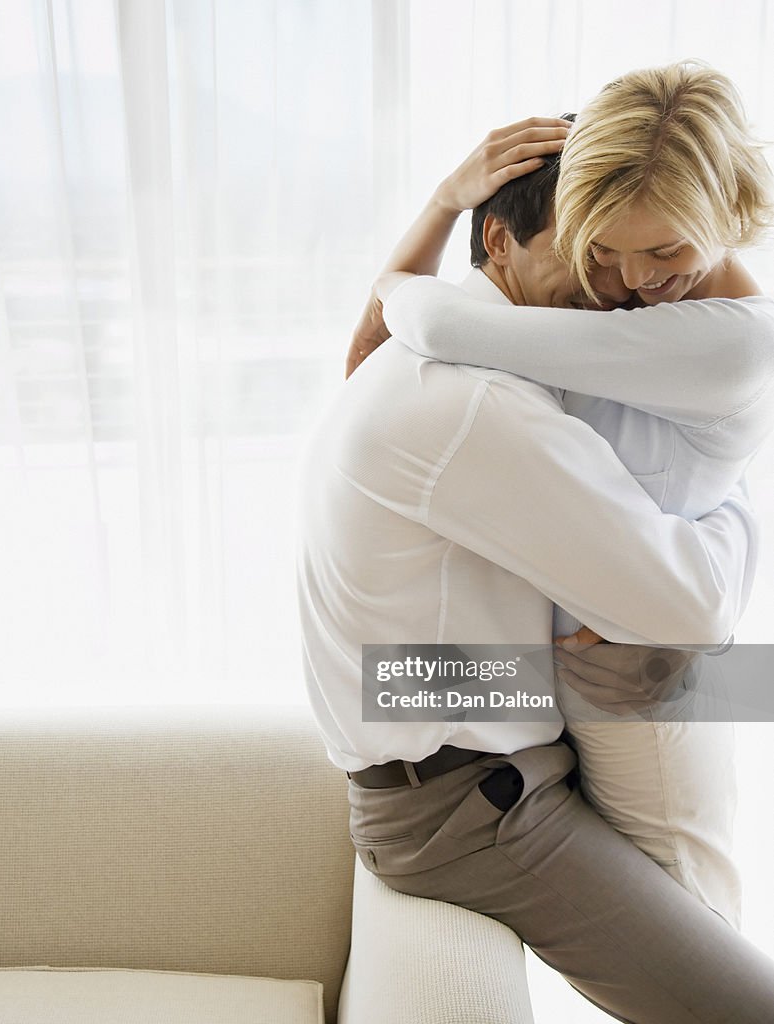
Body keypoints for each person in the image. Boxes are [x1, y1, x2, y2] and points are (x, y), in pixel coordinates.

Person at [297, 136, 774, 1024]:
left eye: (640, 252)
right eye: (588, 248)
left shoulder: (438, 368)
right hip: (474, 807)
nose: (618, 285)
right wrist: (739, 489)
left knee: (725, 685)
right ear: (498, 245)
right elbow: (696, 606)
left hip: (442, 722)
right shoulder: (477, 403)